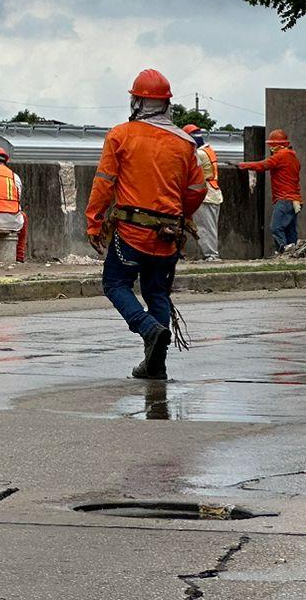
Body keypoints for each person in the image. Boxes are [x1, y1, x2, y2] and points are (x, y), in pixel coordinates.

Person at [85, 68, 206, 381]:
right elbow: (197, 191)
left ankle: (148, 328)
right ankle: (156, 365)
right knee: (157, 293)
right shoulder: (185, 142)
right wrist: (181, 215)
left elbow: (105, 182)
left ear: (136, 102)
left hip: (131, 232)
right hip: (168, 235)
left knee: (115, 284)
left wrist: (94, 221)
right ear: (167, 104)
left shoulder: (121, 135)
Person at [239, 129, 302, 252]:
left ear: (277, 145)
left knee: (276, 227)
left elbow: (263, 165)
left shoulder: (281, 156)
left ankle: (282, 249)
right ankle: (293, 252)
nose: (271, 149)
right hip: (295, 199)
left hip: (284, 198)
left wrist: (243, 165)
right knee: (290, 228)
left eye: (272, 146)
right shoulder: (293, 157)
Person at [183, 124, 223, 261]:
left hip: (205, 195)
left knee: (205, 227)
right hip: (214, 193)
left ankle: (211, 255)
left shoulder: (199, 154)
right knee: (210, 226)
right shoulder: (208, 150)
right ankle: (210, 254)